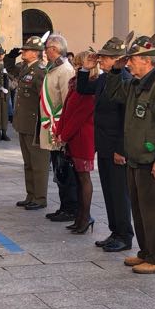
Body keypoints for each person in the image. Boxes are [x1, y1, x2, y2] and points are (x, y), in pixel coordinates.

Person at [90, 34, 155, 275]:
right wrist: (114, 72)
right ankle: (146, 252)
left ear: (147, 61)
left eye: (132, 59)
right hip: (135, 159)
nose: (128, 63)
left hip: (152, 161)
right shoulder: (135, 84)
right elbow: (113, 94)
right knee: (141, 212)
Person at [76, 36, 132, 252]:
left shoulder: (125, 80)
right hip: (104, 145)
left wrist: (121, 149)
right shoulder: (103, 78)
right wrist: (85, 69)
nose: (101, 60)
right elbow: (83, 89)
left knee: (119, 193)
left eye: (106, 57)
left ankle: (124, 236)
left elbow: (125, 119)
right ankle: (114, 231)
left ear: (119, 59)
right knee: (109, 191)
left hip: (116, 147)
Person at [54, 51, 96, 235]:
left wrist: (64, 135)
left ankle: (85, 218)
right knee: (78, 179)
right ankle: (80, 216)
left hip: (82, 138)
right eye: (76, 65)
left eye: (79, 65)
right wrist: (59, 132)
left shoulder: (89, 88)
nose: (76, 68)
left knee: (84, 178)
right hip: (73, 136)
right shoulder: (76, 84)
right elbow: (66, 111)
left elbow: (79, 116)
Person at [40, 34, 77, 222]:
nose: (45, 51)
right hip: (53, 127)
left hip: (60, 128)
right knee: (58, 168)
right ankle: (64, 205)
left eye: (47, 48)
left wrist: (63, 131)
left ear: (54, 49)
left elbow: (67, 102)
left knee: (65, 169)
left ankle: (71, 207)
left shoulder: (65, 70)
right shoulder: (53, 69)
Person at [13, 35, 49, 211]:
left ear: (35, 53)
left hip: (35, 123)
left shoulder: (40, 71)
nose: (23, 52)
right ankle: (31, 194)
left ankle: (40, 197)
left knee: (38, 163)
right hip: (24, 122)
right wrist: (8, 56)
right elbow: (10, 68)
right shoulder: (26, 68)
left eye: (26, 50)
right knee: (28, 162)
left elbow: (44, 99)